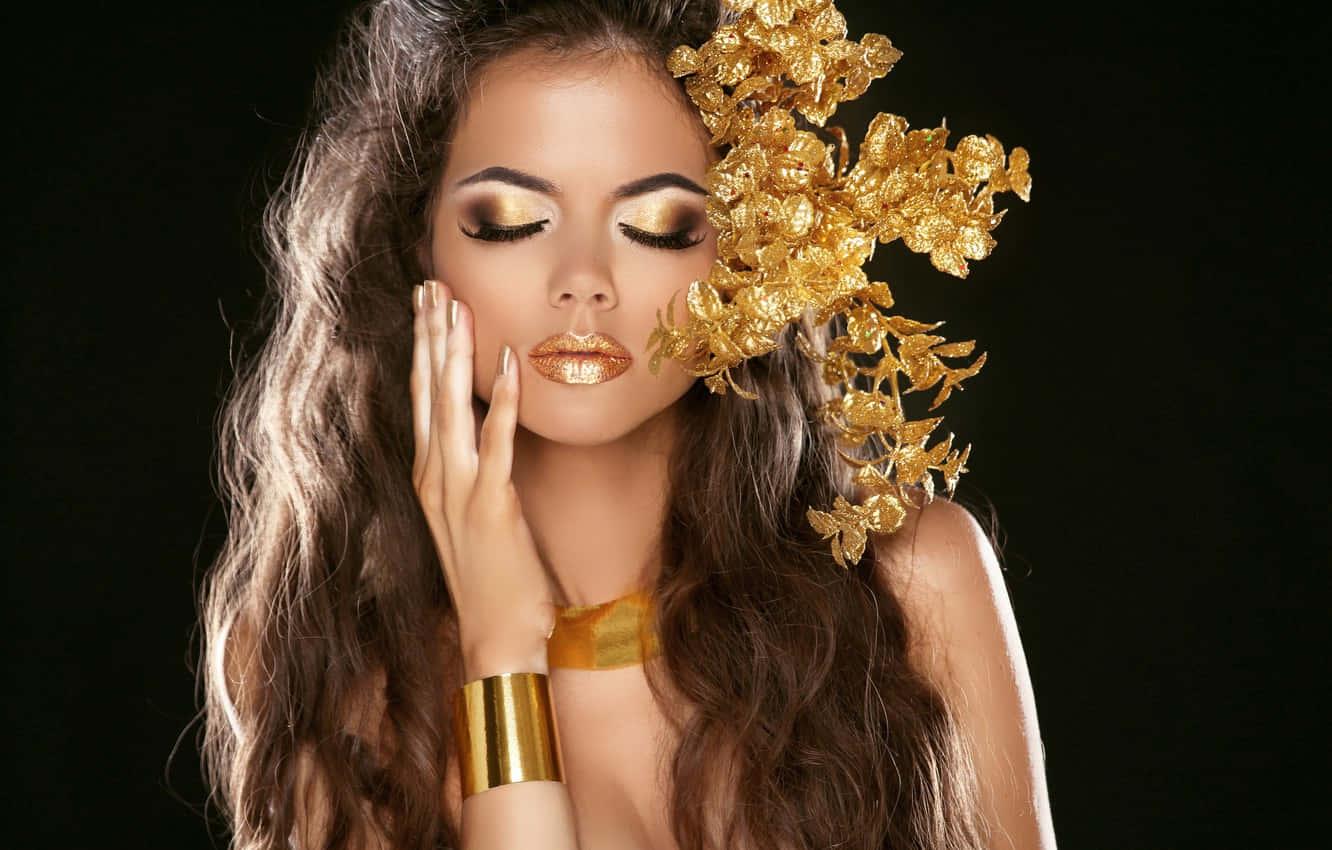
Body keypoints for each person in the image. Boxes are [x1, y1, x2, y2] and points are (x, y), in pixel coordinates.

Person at [199, 1, 1056, 848]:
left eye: (657, 227)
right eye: (510, 222)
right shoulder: (321, 671)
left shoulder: (914, 588)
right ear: (419, 242)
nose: (583, 279)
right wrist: (502, 654)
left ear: (744, 254)